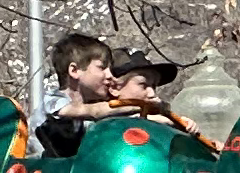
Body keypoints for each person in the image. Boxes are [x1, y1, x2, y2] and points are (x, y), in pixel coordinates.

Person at [35, 41, 182, 155]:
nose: (110, 76)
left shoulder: (92, 119)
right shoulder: (52, 102)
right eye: (102, 68)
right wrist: (142, 106)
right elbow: (95, 112)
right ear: (74, 70)